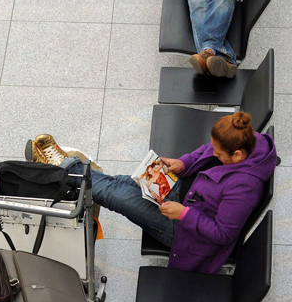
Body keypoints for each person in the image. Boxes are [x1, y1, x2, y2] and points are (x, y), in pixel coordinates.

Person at [28, 112, 276, 274]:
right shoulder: (245, 138)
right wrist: (184, 163)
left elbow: (223, 234)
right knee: (120, 182)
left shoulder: (245, 188)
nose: (215, 155)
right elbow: (205, 152)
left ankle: (64, 168)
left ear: (238, 156)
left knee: (116, 196)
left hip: (186, 231)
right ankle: (73, 173)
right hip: (185, 190)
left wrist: (183, 214)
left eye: (220, 155)